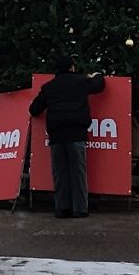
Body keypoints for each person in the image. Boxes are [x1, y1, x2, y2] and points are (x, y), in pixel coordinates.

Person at [29, 54, 105, 218]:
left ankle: (62, 208)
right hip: (77, 133)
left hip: (57, 134)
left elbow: (34, 109)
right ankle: (80, 209)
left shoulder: (49, 87)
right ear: (72, 67)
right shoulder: (81, 82)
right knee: (78, 172)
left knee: (60, 172)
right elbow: (99, 85)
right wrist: (97, 74)